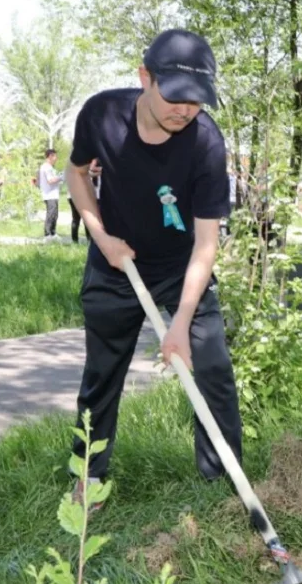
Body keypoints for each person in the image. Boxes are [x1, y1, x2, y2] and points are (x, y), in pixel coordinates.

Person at [64, 28, 241, 501]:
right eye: (176, 96)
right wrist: (100, 237)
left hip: (183, 268)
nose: (185, 110)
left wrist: (180, 321)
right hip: (114, 262)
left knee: (213, 369)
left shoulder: (205, 142)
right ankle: (89, 479)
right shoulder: (101, 115)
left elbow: (206, 244)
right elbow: (76, 173)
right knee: (102, 375)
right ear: (146, 77)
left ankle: (223, 485)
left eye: (198, 100)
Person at [39, 149, 63, 239]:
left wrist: (59, 178)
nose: (56, 158)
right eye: (55, 156)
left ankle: (53, 233)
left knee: (55, 214)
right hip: (49, 195)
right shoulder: (46, 167)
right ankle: (47, 234)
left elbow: (54, 179)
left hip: (54, 194)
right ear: (50, 156)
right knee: (51, 214)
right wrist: (61, 177)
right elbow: (50, 180)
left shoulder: (51, 167)